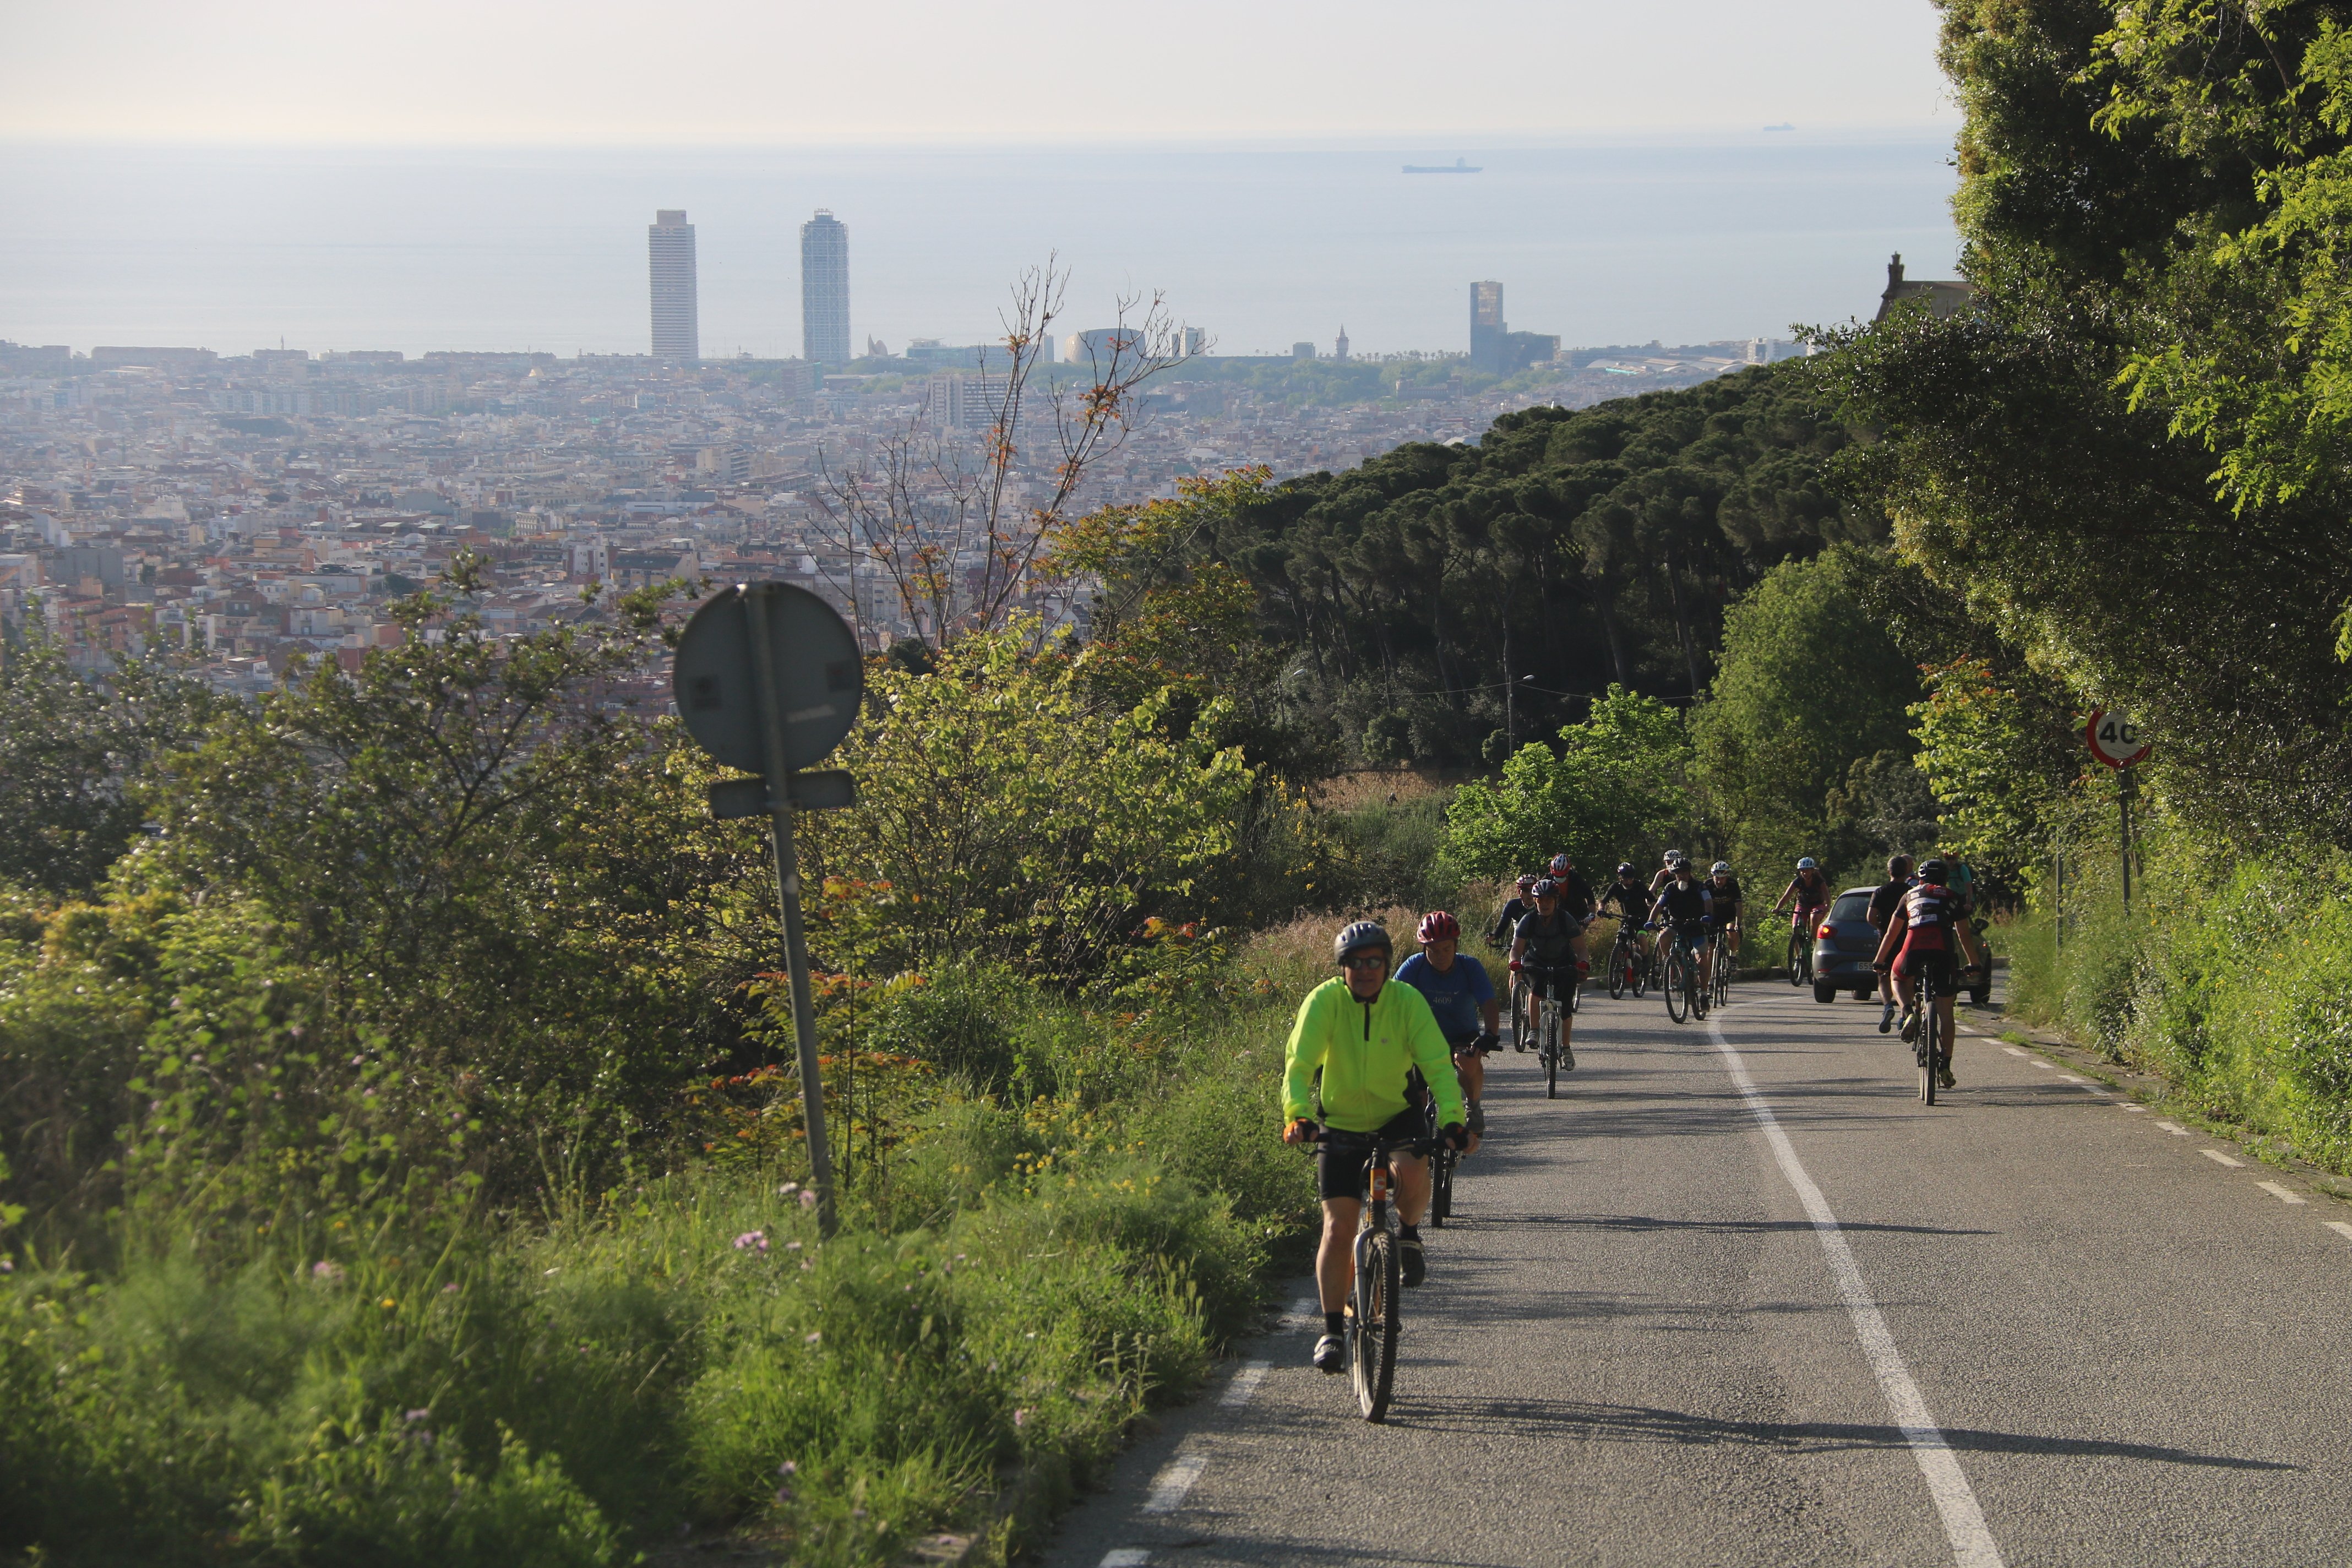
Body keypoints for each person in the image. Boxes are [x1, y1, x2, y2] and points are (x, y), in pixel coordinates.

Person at [1283, 921, 1468, 1374]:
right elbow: (1299, 1064)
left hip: (1395, 1115)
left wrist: (1452, 1119)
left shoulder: (1407, 1002)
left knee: (1414, 1169)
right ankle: (1330, 1330)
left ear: (1387, 965)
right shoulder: (1324, 1001)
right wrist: (1299, 1115)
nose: (1365, 971)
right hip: (1340, 1123)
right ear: (1342, 967)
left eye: (1374, 962)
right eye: (1355, 963)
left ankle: (1407, 1234)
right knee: (1338, 1229)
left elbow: (1439, 1067)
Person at [1869, 859, 1978, 1088]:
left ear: (1920, 878)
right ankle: (1946, 1066)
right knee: (1946, 1013)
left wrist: (1879, 960)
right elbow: (1964, 935)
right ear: (1945, 879)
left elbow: (1891, 933)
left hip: (1913, 946)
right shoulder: (1951, 896)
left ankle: (1908, 1012)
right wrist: (1974, 963)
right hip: (1943, 951)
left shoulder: (1909, 896)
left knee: (1897, 977)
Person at [1395, 911, 1500, 1142]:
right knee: (1419, 1096)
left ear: (1456, 946)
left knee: (1469, 1060)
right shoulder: (1413, 967)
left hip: (1462, 1034)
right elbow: (1390, 1002)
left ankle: (1473, 1106)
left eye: (1446, 949)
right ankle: (1423, 1141)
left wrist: (1491, 1034)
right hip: (1421, 1037)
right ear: (1424, 949)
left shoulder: (1469, 967)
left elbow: (1489, 1003)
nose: (1440, 956)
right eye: (1433, 951)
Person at [1509, 878, 1583, 1070]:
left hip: (1564, 962)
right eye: (1541, 900)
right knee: (1536, 988)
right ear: (1535, 902)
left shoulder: (1566, 919)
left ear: (1556, 901)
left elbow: (1581, 949)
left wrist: (1583, 963)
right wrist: (1514, 962)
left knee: (1566, 1007)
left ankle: (1566, 1048)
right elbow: (1516, 949)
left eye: (1549, 900)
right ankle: (1534, 1030)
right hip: (1537, 961)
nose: (1545, 904)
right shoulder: (1529, 920)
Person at [1866, 854, 1916, 1033]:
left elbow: (1870, 917)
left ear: (1889, 871)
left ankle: (1887, 1006)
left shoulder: (1880, 892)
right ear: (1907, 871)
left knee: (1883, 975)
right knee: (1907, 976)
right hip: (1907, 939)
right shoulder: (1910, 892)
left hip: (1886, 939)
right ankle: (1905, 1013)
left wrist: (1881, 927)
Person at [1648, 859, 1716, 988]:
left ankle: (1703, 994)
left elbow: (1708, 901)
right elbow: (1659, 905)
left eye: (1684, 873)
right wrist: (1651, 920)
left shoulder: (1699, 886)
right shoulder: (1670, 888)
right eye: (1678, 873)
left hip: (1697, 926)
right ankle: (1674, 963)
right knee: (1663, 936)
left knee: (1702, 960)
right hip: (1677, 925)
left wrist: (1707, 915)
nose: (1681, 876)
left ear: (1690, 872)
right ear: (1674, 875)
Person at [1596, 862, 1654, 981]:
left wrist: (1653, 914)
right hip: (1627, 918)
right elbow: (1603, 901)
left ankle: (1645, 962)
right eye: (1625, 879)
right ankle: (1617, 965)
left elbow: (1652, 900)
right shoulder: (1616, 887)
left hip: (1642, 918)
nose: (1628, 881)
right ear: (1620, 878)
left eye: (1631, 878)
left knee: (1641, 937)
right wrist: (1601, 910)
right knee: (1620, 939)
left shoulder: (1639, 886)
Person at [1546, 852, 1598, 978]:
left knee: (1577, 938)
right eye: (1556, 875)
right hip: (1558, 914)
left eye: (1563, 875)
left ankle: (1582, 969)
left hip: (1579, 915)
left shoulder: (1576, 879)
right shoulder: (1547, 879)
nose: (1559, 878)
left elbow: (1590, 897)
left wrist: (1591, 914)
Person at [1705, 861, 1744, 981]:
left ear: (1727, 877)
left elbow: (1739, 906)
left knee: (1731, 930)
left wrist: (1738, 923)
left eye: (1723, 878)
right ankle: (1709, 976)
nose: (1719, 881)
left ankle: (1733, 956)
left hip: (1729, 916)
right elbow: (1701, 904)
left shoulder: (1733, 884)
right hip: (1714, 917)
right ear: (1713, 876)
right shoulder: (1707, 885)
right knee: (1710, 947)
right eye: (1717, 878)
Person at [1487, 873, 1538, 950]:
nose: (1530, 894)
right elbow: (1503, 925)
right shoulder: (1513, 905)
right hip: (1518, 946)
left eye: (1533, 890)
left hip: (1538, 947)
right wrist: (1493, 936)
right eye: (1526, 890)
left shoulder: (1542, 906)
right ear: (1519, 892)